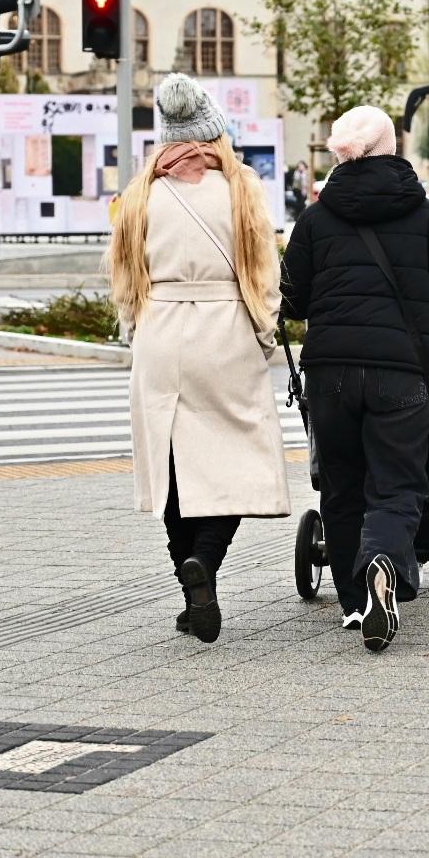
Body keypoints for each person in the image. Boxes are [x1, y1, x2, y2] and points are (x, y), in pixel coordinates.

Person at [281, 106, 429, 653]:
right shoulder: (424, 213)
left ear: (339, 153)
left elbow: (290, 298)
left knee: (341, 487)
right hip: (400, 371)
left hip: (330, 373)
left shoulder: (317, 218)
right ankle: (384, 561)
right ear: (391, 146)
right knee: (397, 485)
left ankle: (352, 601)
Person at [109, 74, 290, 644]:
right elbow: (263, 275)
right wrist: (263, 336)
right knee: (230, 463)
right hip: (226, 331)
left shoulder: (140, 195)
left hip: (162, 330)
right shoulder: (240, 189)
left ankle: (192, 592)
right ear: (213, 135)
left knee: (172, 471)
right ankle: (205, 565)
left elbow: (125, 283)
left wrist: (140, 332)